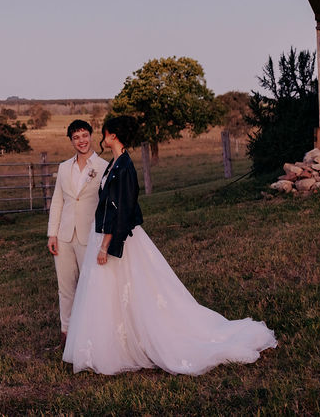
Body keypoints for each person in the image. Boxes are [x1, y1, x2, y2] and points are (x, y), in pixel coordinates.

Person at [62, 115, 277, 375]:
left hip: (113, 238)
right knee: (110, 295)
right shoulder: (115, 164)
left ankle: (127, 345)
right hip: (104, 234)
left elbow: (121, 209)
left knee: (129, 291)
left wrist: (106, 244)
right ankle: (114, 342)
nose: (102, 138)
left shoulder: (125, 166)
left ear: (114, 135)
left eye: (105, 134)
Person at [47, 119, 110, 341]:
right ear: (71, 141)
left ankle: (92, 334)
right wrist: (52, 234)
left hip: (90, 235)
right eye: (76, 137)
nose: (81, 141)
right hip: (64, 236)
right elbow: (57, 202)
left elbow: (106, 205)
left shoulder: (103, 167)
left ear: (91, 136)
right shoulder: (64, 167)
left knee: (91, 286)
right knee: (65, 287)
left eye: (84, 136)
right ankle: (66, 332)